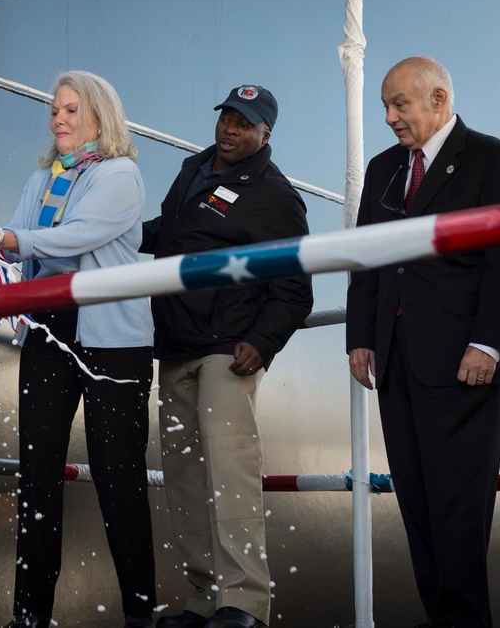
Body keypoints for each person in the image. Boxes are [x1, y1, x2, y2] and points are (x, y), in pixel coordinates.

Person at [0, 70, 157, 628]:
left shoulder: (121, 175)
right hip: (47, 334)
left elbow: (74, 239)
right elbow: (16, 248)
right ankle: (29, 617)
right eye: (55, 110)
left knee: (118, 477)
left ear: (100, 118)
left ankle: (140, 615)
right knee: (37, 475)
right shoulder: (42, 177)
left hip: (112, 343)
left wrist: (0, 237)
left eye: (72, 110)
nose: (60, 119)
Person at [346, 56, 500, 628]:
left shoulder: (492, 159)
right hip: (396, 361)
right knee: (419, 508)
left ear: (438, 99)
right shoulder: (383, 169)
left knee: (459, 510)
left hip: (464, 363)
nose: (388, 118)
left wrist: (490, 344)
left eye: (398, 104)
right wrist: (360, 335)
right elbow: (366, 257)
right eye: (384, 105)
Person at [140, 85, 313, 628]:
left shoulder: (275, 194)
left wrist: (262, 343)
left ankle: (243, 600)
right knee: (185, 476)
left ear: (266, 134)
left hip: (226, 349)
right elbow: (169, 237)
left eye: (246, 123)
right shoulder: (194, 169)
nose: (231, 129)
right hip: (174, 344)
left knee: (227, 474)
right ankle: (205, 596)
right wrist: (111, 236)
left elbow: (294, 286)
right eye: (227, 117)